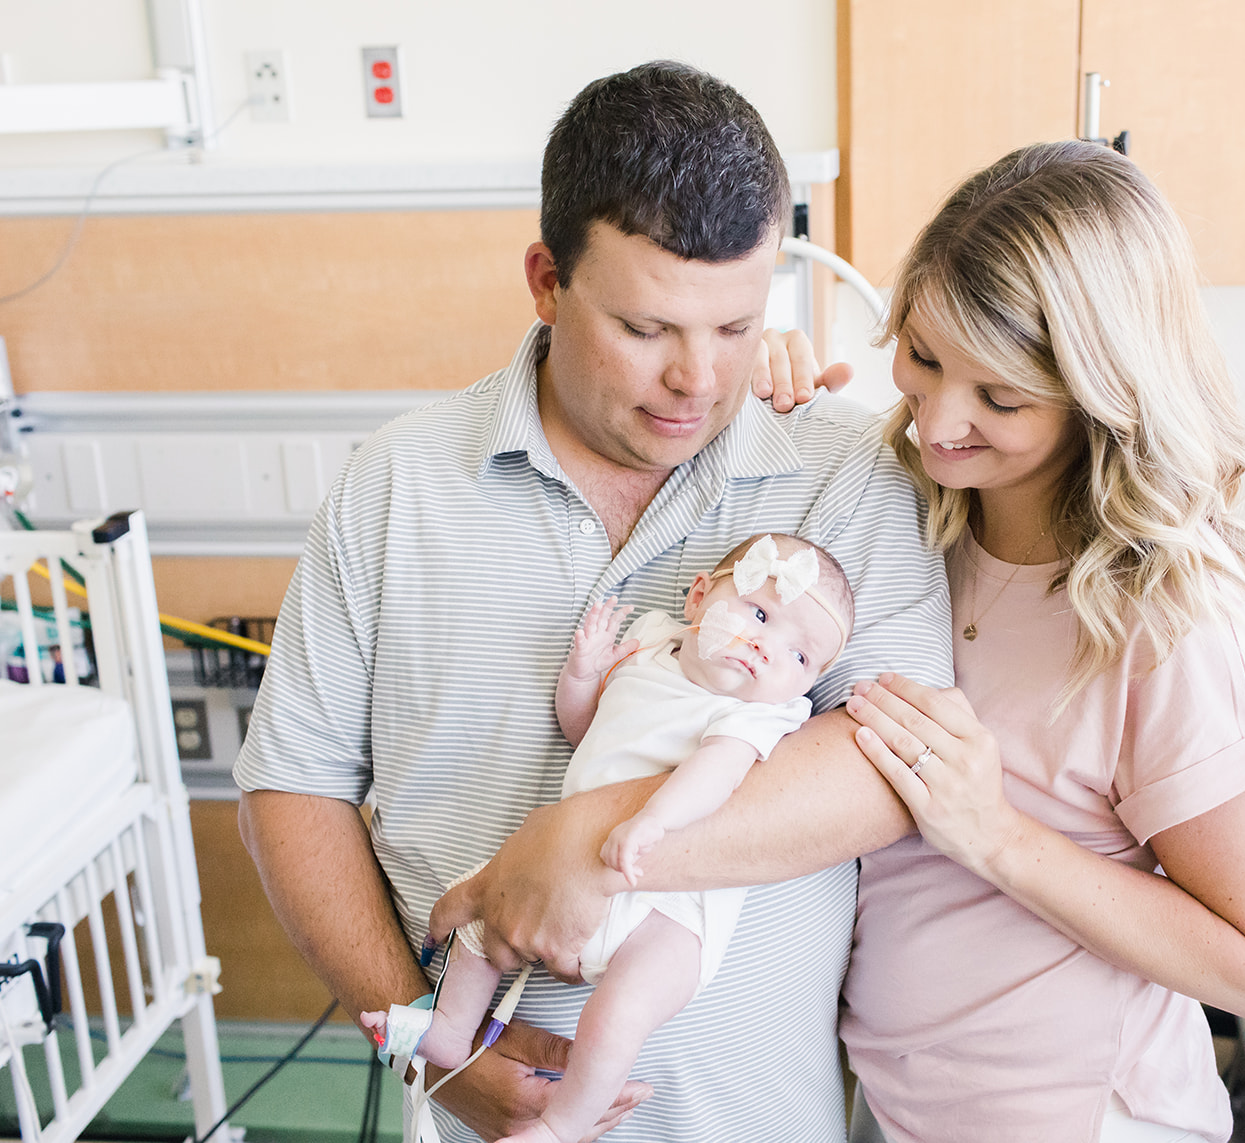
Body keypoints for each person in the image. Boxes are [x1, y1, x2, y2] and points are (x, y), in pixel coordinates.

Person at [233, 61, 951, 1143]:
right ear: (544, 279)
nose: (696, 382)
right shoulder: (398, 484)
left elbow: (892, 769)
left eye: (735, 327)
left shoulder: (843, 474)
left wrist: (583, 843)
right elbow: (291, 792)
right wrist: (425, 1043)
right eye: (648, 329)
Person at [836, 139, 1245, 1143]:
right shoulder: (918, 514)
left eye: (1000, 396)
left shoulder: (1171, 616)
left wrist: (993, 830)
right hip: (904, 1104)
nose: (938, 423)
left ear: (1104, 391)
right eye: (922, 357)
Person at [362, 533, 855, 1143]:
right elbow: (587, 730)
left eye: (800, 657)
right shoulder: (649, 649)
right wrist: (583, 672)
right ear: (699, 597)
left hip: (672, 909)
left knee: (621, 1013)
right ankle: (447, 1030)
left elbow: (715, 774)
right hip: (556, 870)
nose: (766, 648)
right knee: (482, 915)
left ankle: (563, 1125)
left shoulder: (757, 715)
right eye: (758, 614)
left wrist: (653, 820)